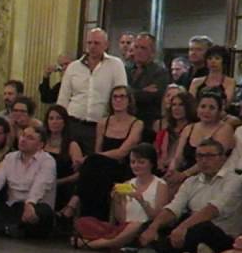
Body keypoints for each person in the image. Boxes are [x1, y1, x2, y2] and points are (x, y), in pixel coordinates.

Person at [127, 137, 242, 253]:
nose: (204, 160)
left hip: (222, 234)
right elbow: (174, 207)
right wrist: (153, 227)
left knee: (201, 228)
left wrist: (182, 228)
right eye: (200, 156)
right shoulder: (191, 181)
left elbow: (211, 211)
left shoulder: (234, 181)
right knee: (153, 223)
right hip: (192, 227)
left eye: (210, 156)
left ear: (222, 158)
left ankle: (158, 252)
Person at [65, 85, 143, 221]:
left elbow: (122, 152)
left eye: (122, 97)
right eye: (115, 97)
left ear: (129, 101)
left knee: (92, 163)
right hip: (101, 167)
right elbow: (98, 151)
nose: (118, 100)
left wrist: (90, 158)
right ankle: (89, 222)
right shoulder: (103, 123)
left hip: (122, 168)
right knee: (94, 168)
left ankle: (73, 204)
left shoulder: (137, 124)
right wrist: (93, 158)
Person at [71, 144, 167, 251]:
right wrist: (116, 200)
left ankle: (93, 244)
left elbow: (158, 217)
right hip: (124, 229)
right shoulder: (127, 184)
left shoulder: (160, 185)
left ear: (151, 163)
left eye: (141, 162)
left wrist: (141, 200)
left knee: (136, 225)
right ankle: (115, 242)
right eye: (133, 162)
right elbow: (122, 219)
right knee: (84, 222)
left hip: (144, 229)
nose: (136, 166)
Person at [0, 124, 57, 238]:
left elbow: (40, 185)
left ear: (40, 145)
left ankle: (3, 229)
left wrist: (30, 203)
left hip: (34, 205)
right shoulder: (10, 157)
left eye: (30, 138)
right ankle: (11, 229)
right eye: (23, 136)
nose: (23, 140)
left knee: (42, 214)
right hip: (12, 207)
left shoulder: (48, 161)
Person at [57, 27, 128, 155]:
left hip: (100, 125)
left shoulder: (115, 65)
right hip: (73, 123)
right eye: (89, 43)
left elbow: (121, 96)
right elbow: (63, 98)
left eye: (96, 43)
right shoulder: (74, 67)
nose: (92, 47)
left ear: (106, 45)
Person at [166, 91, 235, 191]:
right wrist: (172, 170)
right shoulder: (189, 128)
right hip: (184, 174)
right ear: (197, 109)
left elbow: (211, 159)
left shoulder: (225, 129)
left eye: (211, 108)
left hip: (209, 175)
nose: (206, 111)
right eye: (203, 106)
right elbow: (178, 157)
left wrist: (184, 175)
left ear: (219, 111)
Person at [42, 104, 83, 216]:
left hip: (63, 185)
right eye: (51, 118)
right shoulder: (41, 142)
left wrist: (59, 182)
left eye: (59, 118)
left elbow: (79, 174)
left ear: (65, 122)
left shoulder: (72, 145)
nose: (54, 122)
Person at [125, 32, 170, 132]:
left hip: (148, 125)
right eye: (136, 47)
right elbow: (119, 92)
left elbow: (150, 97)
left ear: (153, 52)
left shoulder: (160, 72)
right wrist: (141, 91)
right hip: (126, 124)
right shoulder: (126, 69)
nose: (138, 51)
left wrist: (129, 93)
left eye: (143, 48)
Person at [157, 90, 197, 180]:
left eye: (181, 105)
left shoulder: (193, 129)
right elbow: (160, 155)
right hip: (162, 170)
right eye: (174, 105)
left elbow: (179, 158)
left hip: (183, 172)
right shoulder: (167, 130)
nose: (176, 108)